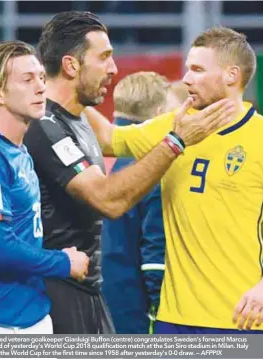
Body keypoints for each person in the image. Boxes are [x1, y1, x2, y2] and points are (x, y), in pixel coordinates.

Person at [24, 11, 234, 334]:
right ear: (71, 65)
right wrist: (176, 142)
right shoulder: (45, 126)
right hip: (56, 295)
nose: (114, 69)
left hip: (91, 293)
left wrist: (196, 114)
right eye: (105, 57)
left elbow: (115, 138)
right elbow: (108, 200)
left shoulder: (80, 115)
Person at [86, 27, 263, 333]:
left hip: (240, 319)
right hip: (174, 321)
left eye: (197, 70)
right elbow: (106, 138)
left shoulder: (258, 137)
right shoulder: (176, 126)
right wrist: (57, 87)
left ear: (232, 76)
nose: (186, 79)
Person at [0, 40, 89, 335]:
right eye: (27, 80)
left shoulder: (18, 148)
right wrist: (63, 263)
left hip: (30, 316)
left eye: (41, 77)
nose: (41, 87)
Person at [101, 72, 176, 334]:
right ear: (159, 113)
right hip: (134, 311)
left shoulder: (89, 159)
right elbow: (154, 254)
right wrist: (159, 311)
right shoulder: (151, 167)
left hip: (90, 301)